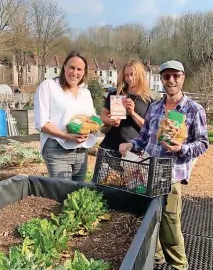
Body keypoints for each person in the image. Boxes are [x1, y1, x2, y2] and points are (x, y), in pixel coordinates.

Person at [119, 60, 209, 270]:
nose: (171, 81)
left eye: (175, 76)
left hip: (171, 173)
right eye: (166, 76)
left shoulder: (193, 109)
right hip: (148, 169)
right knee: (150, 218)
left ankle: (180, 267)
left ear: (183, 77)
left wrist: (182, 148)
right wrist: (131, 145)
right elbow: (144, 137)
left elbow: (203, 143)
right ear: (161, 79)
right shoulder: (155, 107)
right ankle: (157, 259)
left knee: (170, 222)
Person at [34, 51, 96, 182]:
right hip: (57, 149)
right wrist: (67, 136)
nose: (75, 73)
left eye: (79, 69)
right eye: (71, 67)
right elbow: (42, 123)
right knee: (63, 193)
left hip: (81, 151)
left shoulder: (85, 92)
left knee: (78, 194)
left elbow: (92, 119)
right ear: (64, 67)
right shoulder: (49, 86)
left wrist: (104, 121)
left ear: (84, 72)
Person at [99, 58, 153, 151]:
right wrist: (111, 121)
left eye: (133, 74)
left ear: (140, 75)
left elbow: (149, 128)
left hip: (133, 151)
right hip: (110, 148)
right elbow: (103, 116)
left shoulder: (149, 101)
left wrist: (132, 113)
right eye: (126, 75)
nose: (129, 78)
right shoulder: (116, 94)